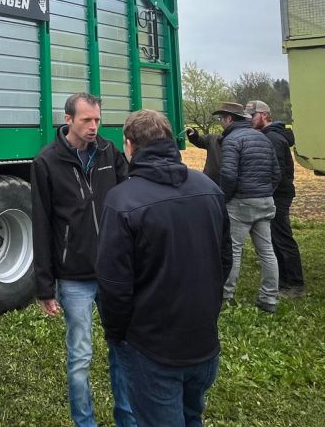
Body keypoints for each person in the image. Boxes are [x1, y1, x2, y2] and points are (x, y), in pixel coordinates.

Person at [98, 110, 231, 427]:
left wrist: (117, 336)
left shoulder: (122, 201)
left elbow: (114, 287)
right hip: (204, 344)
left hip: (152, 350)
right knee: (191, 416)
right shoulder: (209, 189)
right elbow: (224, 260)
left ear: (129, 146)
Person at [31, 92, 134, 427]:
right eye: (86, 120)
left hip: (113, 271)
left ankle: (127, 418)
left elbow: (129, 198)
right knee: (80, 355)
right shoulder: (46, 162)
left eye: (97, 120)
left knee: (123, 347)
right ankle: (84, 422)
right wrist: (45, 286)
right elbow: (42, 224)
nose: (94, 127)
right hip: (74, 276)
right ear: (68, 120)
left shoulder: (108, 152)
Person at [215, 101, 281, 313]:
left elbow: (228, 175)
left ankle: (226, 297)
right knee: (267, 251)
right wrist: (266, 192)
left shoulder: (232, 140)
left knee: (233, 250)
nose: (220, 123)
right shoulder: (262, 137)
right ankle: (269, 298)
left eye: (221, 119)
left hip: (241, 204)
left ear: (229, 119)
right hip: (265, 201)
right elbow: (276, 173)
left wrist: (225, 199)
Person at [245, 100, 305, 298]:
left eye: (252, 116)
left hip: (278, 194)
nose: (250, 120)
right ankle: (282, 280)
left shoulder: (273, 139)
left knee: (282, 237)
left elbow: (276, 172)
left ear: (264, 115)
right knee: (274, 237)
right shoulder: (269, 136)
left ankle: (295, 284)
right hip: (274, 193)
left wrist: (264, 191)